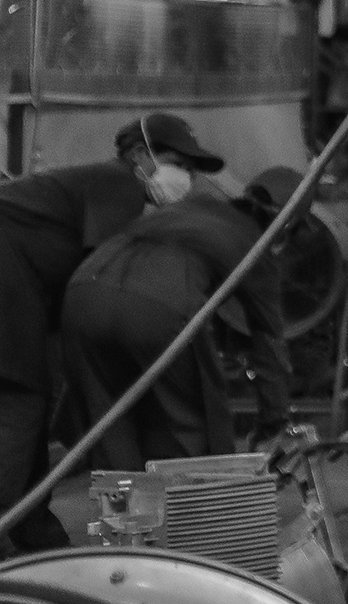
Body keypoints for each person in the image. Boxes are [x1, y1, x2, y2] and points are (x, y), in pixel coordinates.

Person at [0, 115, 219, 552]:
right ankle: (17, 522)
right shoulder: (118, 183)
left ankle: (33, 530)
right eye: (177, 163)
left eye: (191, 171)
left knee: (27, 404)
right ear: (140, 156)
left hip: (20, 287)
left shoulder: (93, 187)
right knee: (21, 403)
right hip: (8, 275)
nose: (186, 178)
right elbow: (102, 273)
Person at [59, 166, 301, 471]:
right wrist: (274, 422)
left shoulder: (195, 205)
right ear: (288, 225)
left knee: (108, 418)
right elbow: (269, 343)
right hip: (157, 306)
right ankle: (195, 511)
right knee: (194, 425)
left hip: (84, 292)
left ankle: (122, 511)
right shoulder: (257, 247)